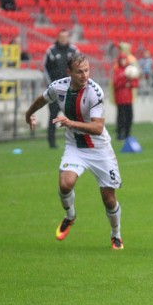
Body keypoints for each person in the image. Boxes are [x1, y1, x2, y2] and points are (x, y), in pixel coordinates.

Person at [24, 54, 124, 249]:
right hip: (75, 146)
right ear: (69, 72)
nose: (85, 75)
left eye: (87, 70)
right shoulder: (58, 87)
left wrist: (70, 123)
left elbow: (97, 128)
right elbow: (42, 99)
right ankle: (70, 216)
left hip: (99, 149)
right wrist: (29, 114)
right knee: (65, 184)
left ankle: (116, 234)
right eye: (79, 71)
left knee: (109, 199)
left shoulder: (95, 92)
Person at [43, 29, 79, 148]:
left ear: (68, 38)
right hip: (55, 91)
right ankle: (51, 142)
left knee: (73, 116)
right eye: (61, 37)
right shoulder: (51, 51)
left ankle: (75, 140)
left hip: (70, 91)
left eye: (65, 37)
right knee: (53, 116)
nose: (63, 39)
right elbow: (45, 69)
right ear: (58, 37)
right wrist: (50, 86)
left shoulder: (74, 51)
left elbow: (80, 67)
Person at [112, 53, 139, 140]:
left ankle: (127, 133)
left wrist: (130, 83)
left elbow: (135, 83)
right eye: (121, 60)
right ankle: (120, 133)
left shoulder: (129, 70)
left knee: (129, 116)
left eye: (124, 59)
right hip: (120, 98)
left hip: (128, 98)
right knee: (121, 117)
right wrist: (124, 81)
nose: (123, 61)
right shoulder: (117, 71)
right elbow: (115, 84)